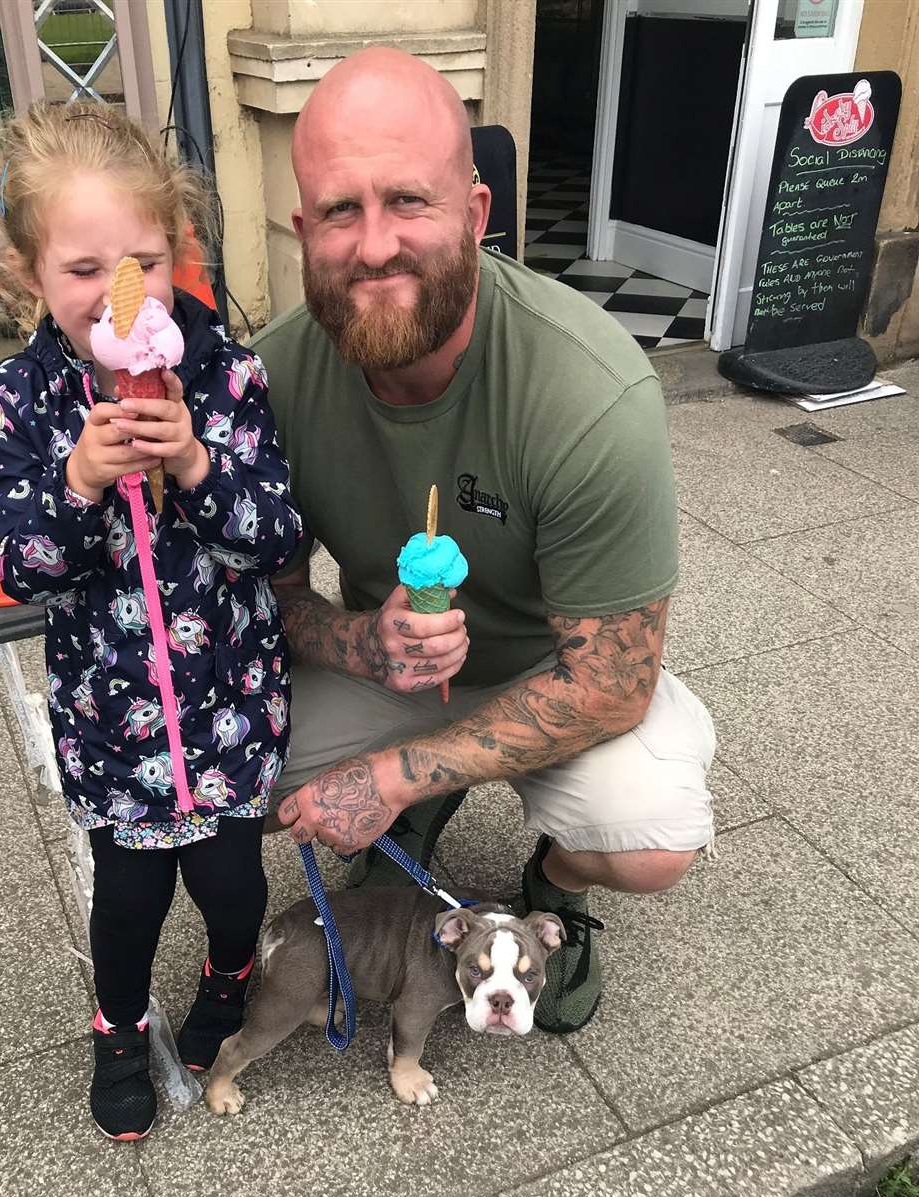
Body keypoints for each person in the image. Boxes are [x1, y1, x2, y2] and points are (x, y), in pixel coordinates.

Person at [254, 48, 716, 1035]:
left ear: (475, 212)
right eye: (341, 209)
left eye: (407, 201)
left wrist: (397, 773)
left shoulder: (588, 394)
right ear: (303, 230)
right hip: (393, 673)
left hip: (550, 670)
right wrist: (362, 643)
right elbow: (275, 598)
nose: (374, 245)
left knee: (652, 840)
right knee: (223, 763)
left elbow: (612, 681)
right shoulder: (273, 379)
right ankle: (421, 802)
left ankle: (548, 883)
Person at [0, 102, 301, 1140]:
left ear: (177, 255)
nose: (119, 290)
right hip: (112, 722)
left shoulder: (229, 375)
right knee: (126, 900)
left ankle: (227, 977)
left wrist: (199, 464)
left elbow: (278, 538)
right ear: (30, 273)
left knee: (231, 879)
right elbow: (21, 567)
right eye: (83, 270)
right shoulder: (14, 400)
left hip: (229, 710)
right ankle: (118, 1026)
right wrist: (75, 480)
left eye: (144, 262)